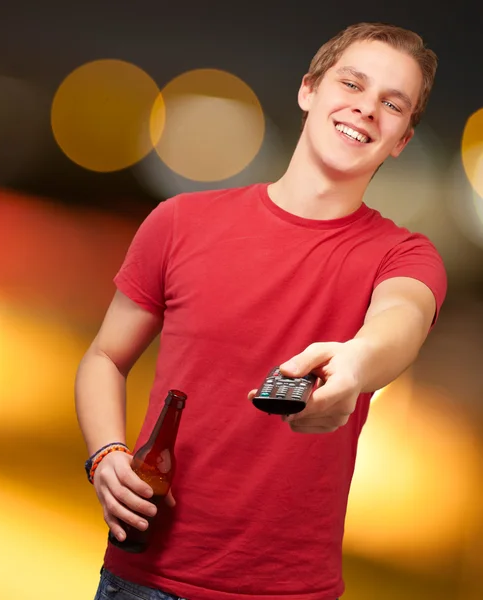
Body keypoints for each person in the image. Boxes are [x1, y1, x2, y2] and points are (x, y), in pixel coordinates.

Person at [75, 22, 447, 600]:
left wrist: (355, 365)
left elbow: (400, 320)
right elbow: (104, 356)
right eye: (352, 83)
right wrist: (105, 454)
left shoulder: (403, 255)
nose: (367, 109)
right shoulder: (179, 222)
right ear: (309, 90)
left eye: (392, 104)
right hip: (141, 582)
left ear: (401, 138)